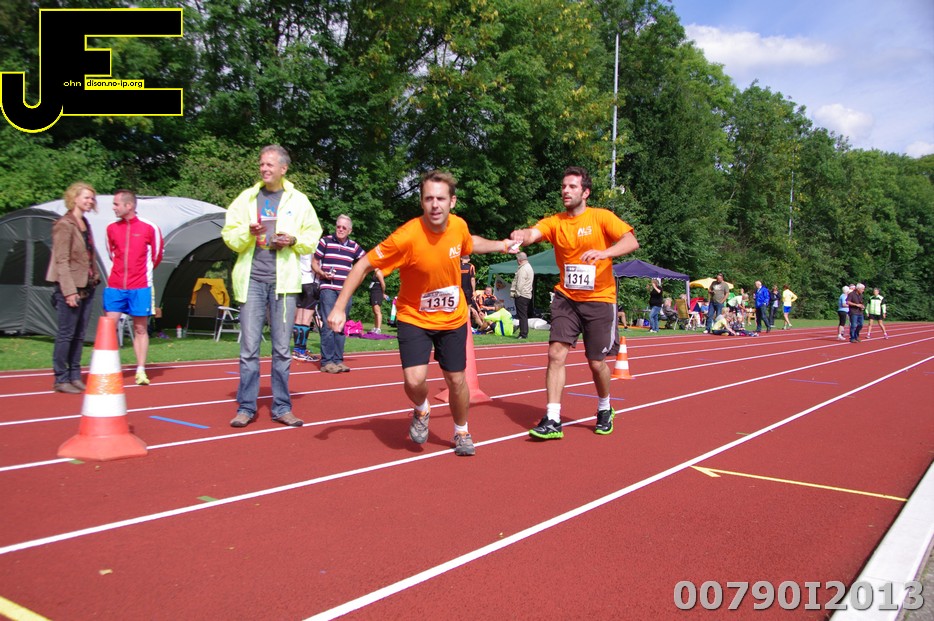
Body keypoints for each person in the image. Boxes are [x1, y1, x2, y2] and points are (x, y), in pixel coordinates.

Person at [327, 169, 514, 456]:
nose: (435, 205)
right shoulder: (407, 236)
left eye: (440, 199)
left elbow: (470, 242)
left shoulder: (458, 226)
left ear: (452, 201)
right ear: (422, 201)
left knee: (457, 380)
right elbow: (363, 264)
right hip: (414, 316)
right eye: (428, 199)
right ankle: (422, 408)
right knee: (414, 380)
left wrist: (501, 245)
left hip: (452, 318)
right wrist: (339, 307)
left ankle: (461, 430)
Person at [509, 166, 639, 439]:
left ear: (585, 192)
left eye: (572, 187)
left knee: (596, 362)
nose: (565, 191)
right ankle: (553, 418)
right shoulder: (556, 222)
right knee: (555, 354)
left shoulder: (601, 217)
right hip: (566, 298)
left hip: (600, 300)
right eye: (563, 186)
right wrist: (523, 235)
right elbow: (535, 233)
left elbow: (630, 241)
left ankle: (604, 407)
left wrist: (604, 253)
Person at [222, 144, 323, 428]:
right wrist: (248, 233)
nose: (264, 168)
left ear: (283, 168)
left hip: (284, 284)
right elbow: (229, 235)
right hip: (252, 281)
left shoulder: (299, 201)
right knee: (249, 349)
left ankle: (281, 407)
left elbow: (313, 235)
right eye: (262, 164)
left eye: (269, 164)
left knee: (281, 349)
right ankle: (246, 407)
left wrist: (293, 241)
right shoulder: (246, 198)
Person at [102, 190, 164, 386]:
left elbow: (157, 256)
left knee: (140, 328)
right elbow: (111, 253)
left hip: (140, 286)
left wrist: (140, 273)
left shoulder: (149, 228)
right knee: (108, 327)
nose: (113, 208)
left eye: (116, 204)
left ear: (129, 206)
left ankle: (140, 370)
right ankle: (109, 369)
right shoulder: (111, 228)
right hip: (115, 285)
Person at [47, 182, 101, 393]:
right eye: (86, 197)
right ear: (74, 198)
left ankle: (75, 375)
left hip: (88, 286)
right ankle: (61, 378)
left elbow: (88, 255)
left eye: (92, 198)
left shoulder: (85, 223)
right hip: (70, 288)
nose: (90, 201)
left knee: (79, 334)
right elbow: (61, 260)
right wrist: (69, 291)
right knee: (66, 334)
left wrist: (95, 276)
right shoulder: (64, 225)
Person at [313, 215, 367, 373]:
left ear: (349, 230)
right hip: (328, 287)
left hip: (345, 290)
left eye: (344, 227)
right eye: (338, 226)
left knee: (341, 325)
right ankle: (327, 361)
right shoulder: (325, 241)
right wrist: (321, 273)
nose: (340, 229)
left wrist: (356, 281)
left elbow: (366, 262)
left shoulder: (354, 247)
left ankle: (338, 360)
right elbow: (314, 262)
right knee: (329, 323)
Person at [292, 253, 320, 362]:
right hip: (310, 282)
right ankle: (301, 350)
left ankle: (297, 349)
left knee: (298, 318)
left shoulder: (299, 246)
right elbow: (314, 264)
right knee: (306, 320)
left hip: (299, 282)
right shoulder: (313, 246)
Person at [511, 251, 534, 339]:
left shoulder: (523, 269)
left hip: (522, 295)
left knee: (522, 315)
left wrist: (516, 293)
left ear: (519, 260)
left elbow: (520, 283)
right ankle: (523, 332)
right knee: (523, 315)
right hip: (527, 294)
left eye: (517, 260)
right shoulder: (529, 267)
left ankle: (523, 333)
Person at [368, 268, 390, 333]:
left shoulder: (379, 272)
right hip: (373, 292)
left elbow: (383, 284)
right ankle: (375, 327)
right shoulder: (374, 273)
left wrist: (383, 293)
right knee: (374, 311)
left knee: (377, 311)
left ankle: (378, 328)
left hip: (377, 293)